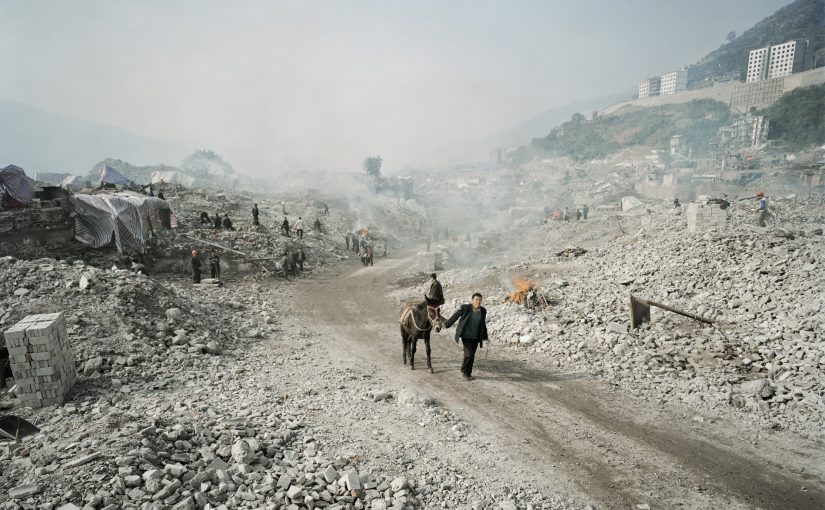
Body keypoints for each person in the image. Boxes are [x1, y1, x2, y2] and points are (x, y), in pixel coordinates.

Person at [444, 293, 488, 381]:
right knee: (469, 354)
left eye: (480, 300)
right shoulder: (466, 308)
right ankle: (464, 371)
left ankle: (469, 373)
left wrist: (485, 336)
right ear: (472, 300)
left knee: (472, 355)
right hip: (466, 336)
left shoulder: (483, 311)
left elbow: (483, 324)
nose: (478, 302)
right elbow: (455, 316)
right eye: (476, 300)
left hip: (476, 337)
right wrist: (447, 324)